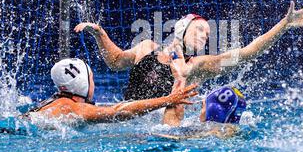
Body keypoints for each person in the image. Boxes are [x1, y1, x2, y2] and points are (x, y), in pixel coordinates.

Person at [74, 1, 303, 126]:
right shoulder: (146, 47)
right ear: (182, 27)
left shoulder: (201, 66)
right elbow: (115, 61)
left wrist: (283, 25)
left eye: (208, 34)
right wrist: (99, 33)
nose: (205, 35)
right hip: (126, 120)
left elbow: (246, 53)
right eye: (200, 29)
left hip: (162, 130)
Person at [24, 58, 198, 123]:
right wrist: (168, 99)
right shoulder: (71, 108)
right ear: (82, 83)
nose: (95, 85)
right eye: (91, 79)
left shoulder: (55, 103)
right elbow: (118, 113)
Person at [155, 86, 247, 140]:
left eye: (203, 106)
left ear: (212, 111)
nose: (200, 110)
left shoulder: (211, 133)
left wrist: (171, 105)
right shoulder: (234, 131)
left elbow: (168, 133)